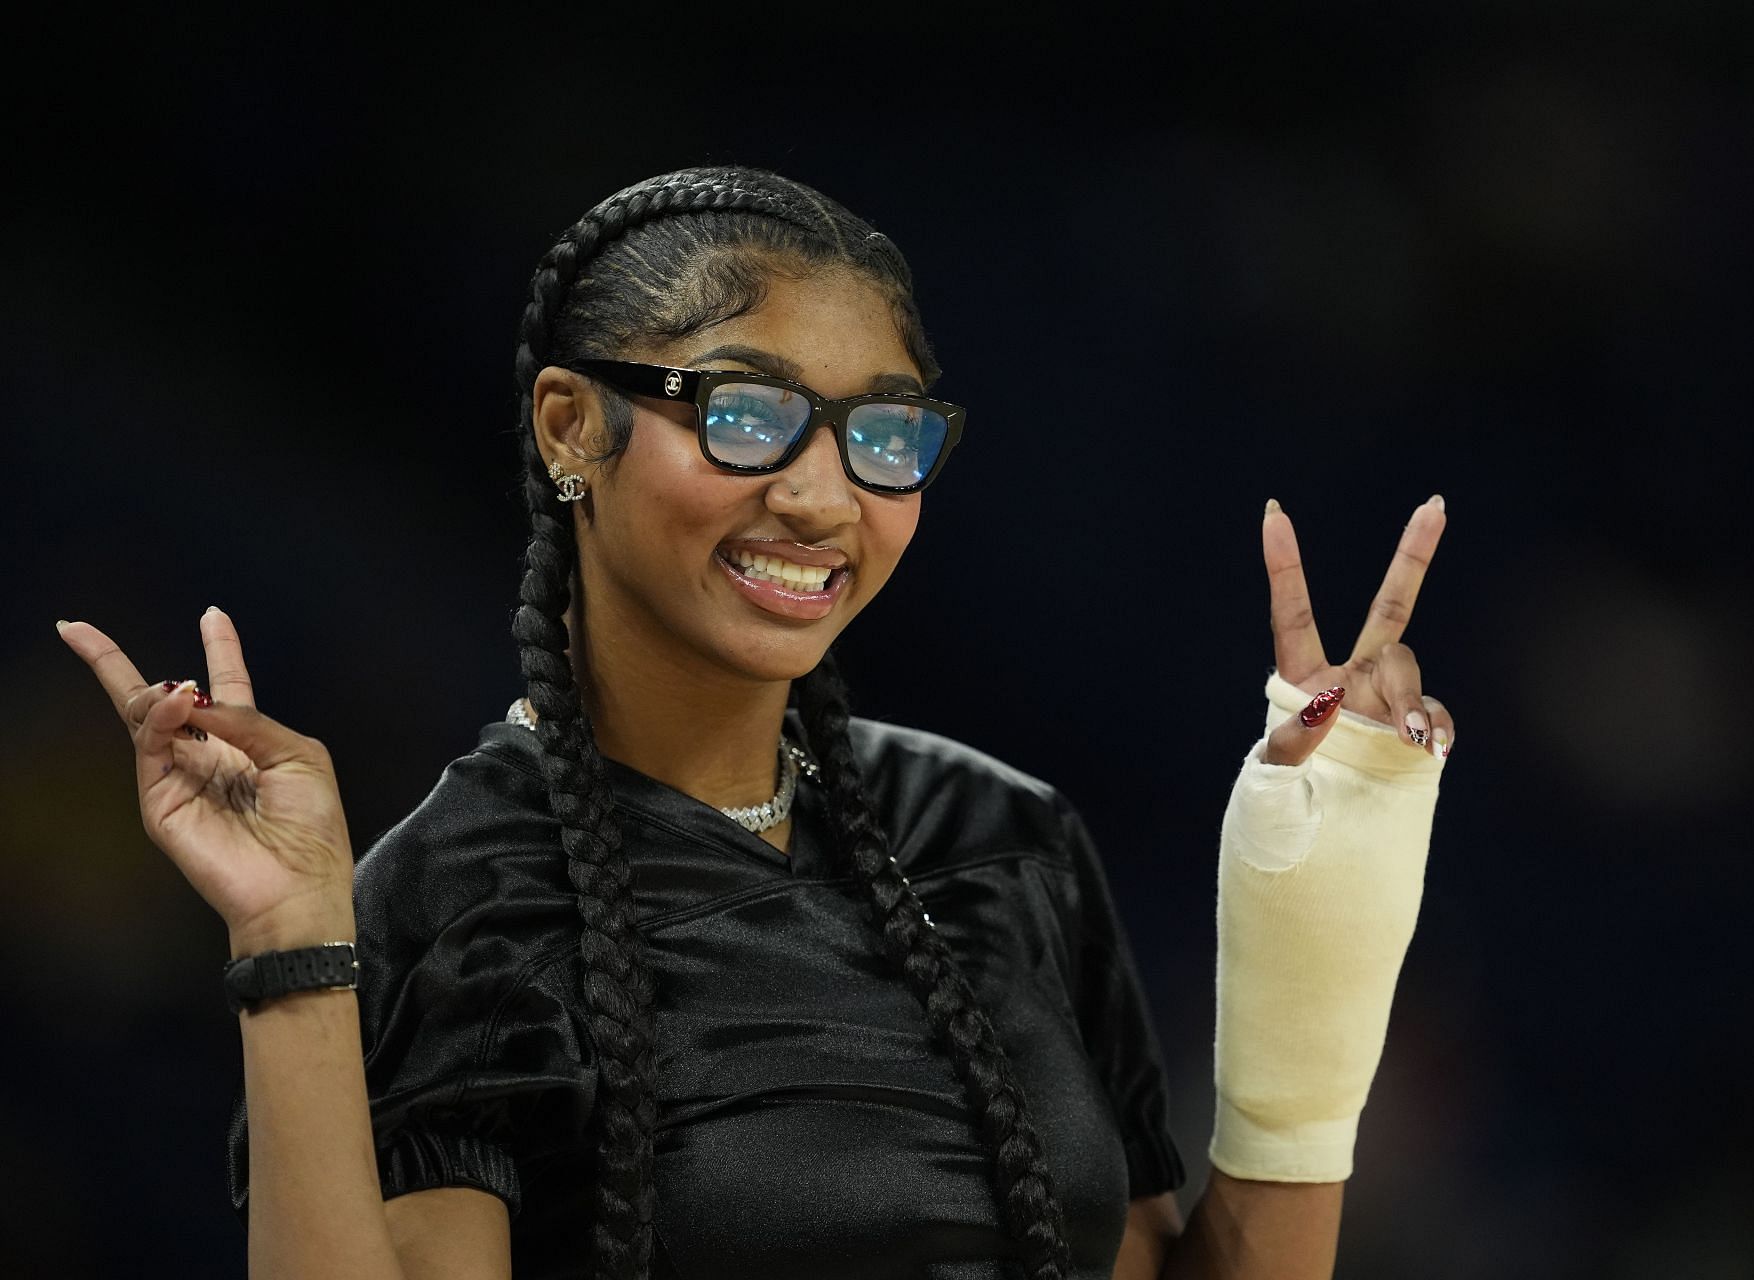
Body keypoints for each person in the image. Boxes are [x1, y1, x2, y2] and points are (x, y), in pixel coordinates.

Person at [56, 167, 1453, 1280]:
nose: (822, 496)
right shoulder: (461, 891)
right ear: (567, 428)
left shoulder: (1002, 838)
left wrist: (1315, 931)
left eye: (884, 435)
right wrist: (290, 947)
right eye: (746, 417)